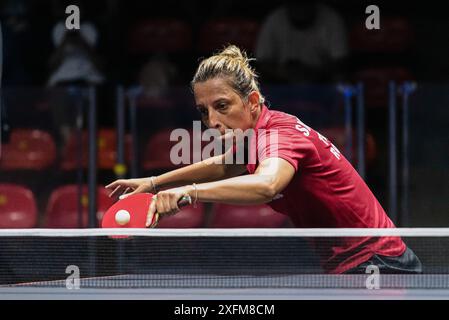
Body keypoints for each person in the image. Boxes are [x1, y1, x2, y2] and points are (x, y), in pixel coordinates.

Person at [106, 45, 421, 274]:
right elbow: (227, 164)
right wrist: (154, 182)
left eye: (222, 105)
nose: (212, 120)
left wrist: (190, 193)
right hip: (352, 264)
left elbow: (267, 184)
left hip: (377, 264)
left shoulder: (277, 136)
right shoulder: (259, 130)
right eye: (204, 111)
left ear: (252, 101)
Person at [255, 0, 348, 83]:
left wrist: (313, 73)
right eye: (297, 5)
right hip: (282, 85)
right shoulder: (274, 20)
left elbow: (340, 63)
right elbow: (262, 63)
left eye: (304, 4)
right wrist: (283, 72)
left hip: (322, 84)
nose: (301, 10)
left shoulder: (331, 20)